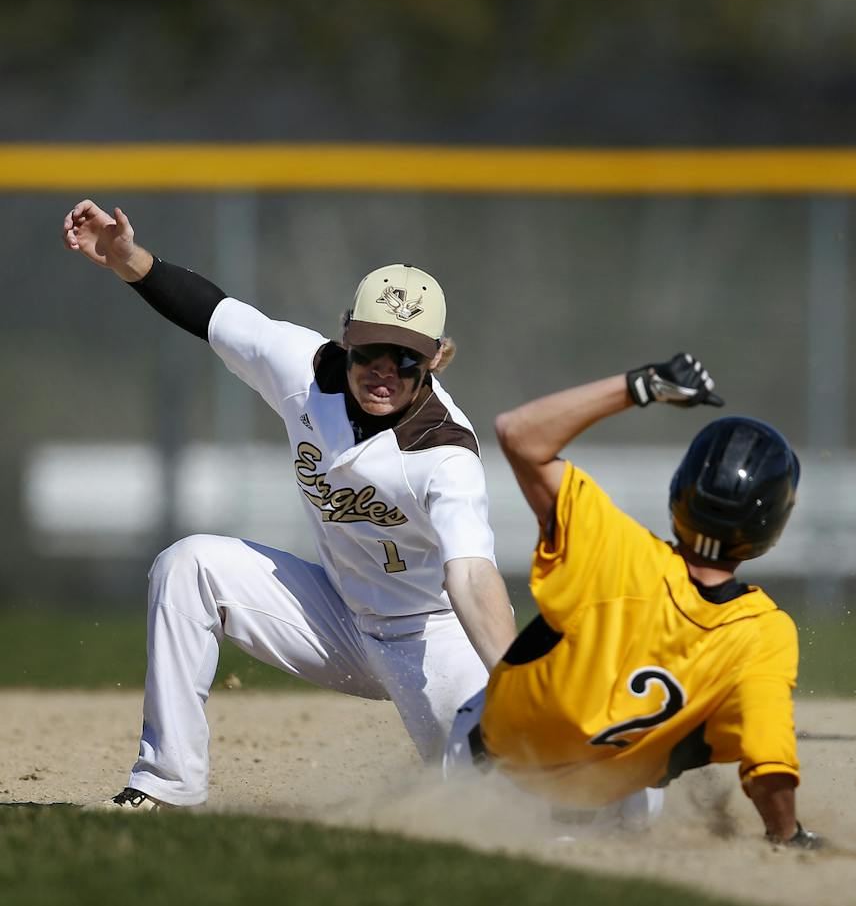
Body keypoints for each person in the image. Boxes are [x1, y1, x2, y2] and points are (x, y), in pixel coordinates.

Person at [62, 199, 516, 808]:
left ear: (435, 357)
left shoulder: (445, 453)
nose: (382, 371)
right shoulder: (305, 368)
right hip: (337, 619)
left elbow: (471, 575)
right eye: (369, 351)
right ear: (345, 338)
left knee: (496, 794)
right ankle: (167, 784)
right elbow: (213, 313)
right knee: (190, 564)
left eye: (404, 357)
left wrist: (516, 678)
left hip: (429, 641)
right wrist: (127, 260)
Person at [443, 354, 822, 847]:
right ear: (771, 526)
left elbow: (518, 432)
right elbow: (768, 765)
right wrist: (787, 835)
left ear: (681, 490)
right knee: (670, 749)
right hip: (610, 805)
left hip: (488, 780)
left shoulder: (613, 546)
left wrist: (642, 386)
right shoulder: (763, 633)